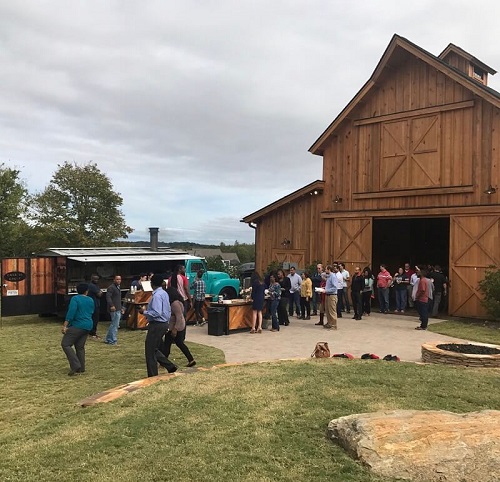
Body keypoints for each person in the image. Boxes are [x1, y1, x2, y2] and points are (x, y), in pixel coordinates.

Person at [139, 274, 178, 376]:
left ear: (152, 284)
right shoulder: (164, 293)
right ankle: (170, 366)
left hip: (157, 324)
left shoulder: (156, 296)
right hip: (164, 323)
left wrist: (144, 312)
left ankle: (152, 375)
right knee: (154, 348)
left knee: (150, 351)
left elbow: (157, 312)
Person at [61, 283, 94, 375]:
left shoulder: (75, 299)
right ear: (86, 291)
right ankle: (81, 367)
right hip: (88, 325)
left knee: (66, 344)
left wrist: (65, 325)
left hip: (78, 324)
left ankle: (75, 365)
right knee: (80, 347)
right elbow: (92, 311)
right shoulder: (90, 300)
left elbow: (71, 312)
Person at [162, 286, 196, 367]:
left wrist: (175, 329)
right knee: (175, 343)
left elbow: (179, 317)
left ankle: (164, 362)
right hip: (177, 326)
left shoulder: (175, 304)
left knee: (169, 343)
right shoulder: (178, 302)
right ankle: (191, 359)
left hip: (176, 326)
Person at [105, 275, 123, 346]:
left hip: (118, 308)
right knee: (115, 325)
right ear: (114, 280)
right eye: (117, 279)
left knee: (114, 324)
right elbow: (108, 297)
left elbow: (118, 299)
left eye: (120, 279)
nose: (118, 281)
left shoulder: (117, 287)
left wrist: (120, 307)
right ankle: (113, 340)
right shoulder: (111, 288)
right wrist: (112, 305)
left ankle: (108, 338)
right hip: (114, 309)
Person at [324, 264, 340, 330]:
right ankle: (329, 323)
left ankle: (334, 325)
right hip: (327, 295)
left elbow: (335, 287)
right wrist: (323, 289)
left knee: (332, 311)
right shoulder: (329, 277)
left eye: (326, 269)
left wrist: (326, 290)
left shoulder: (333, 276)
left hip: (332, 296)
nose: (325, 270)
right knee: (327, 310)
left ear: (329, 270)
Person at [87, 274, 102, 340]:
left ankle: (91, 332)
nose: (96, 280)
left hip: (93, 304)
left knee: (93, 319)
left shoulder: (93, 285)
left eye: (97, 279)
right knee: (95, 319)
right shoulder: (92, 286)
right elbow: (99, 294)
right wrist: (100, 292)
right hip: (94, 305)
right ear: (92, 279)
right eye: (95, 279)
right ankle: (92, 333)